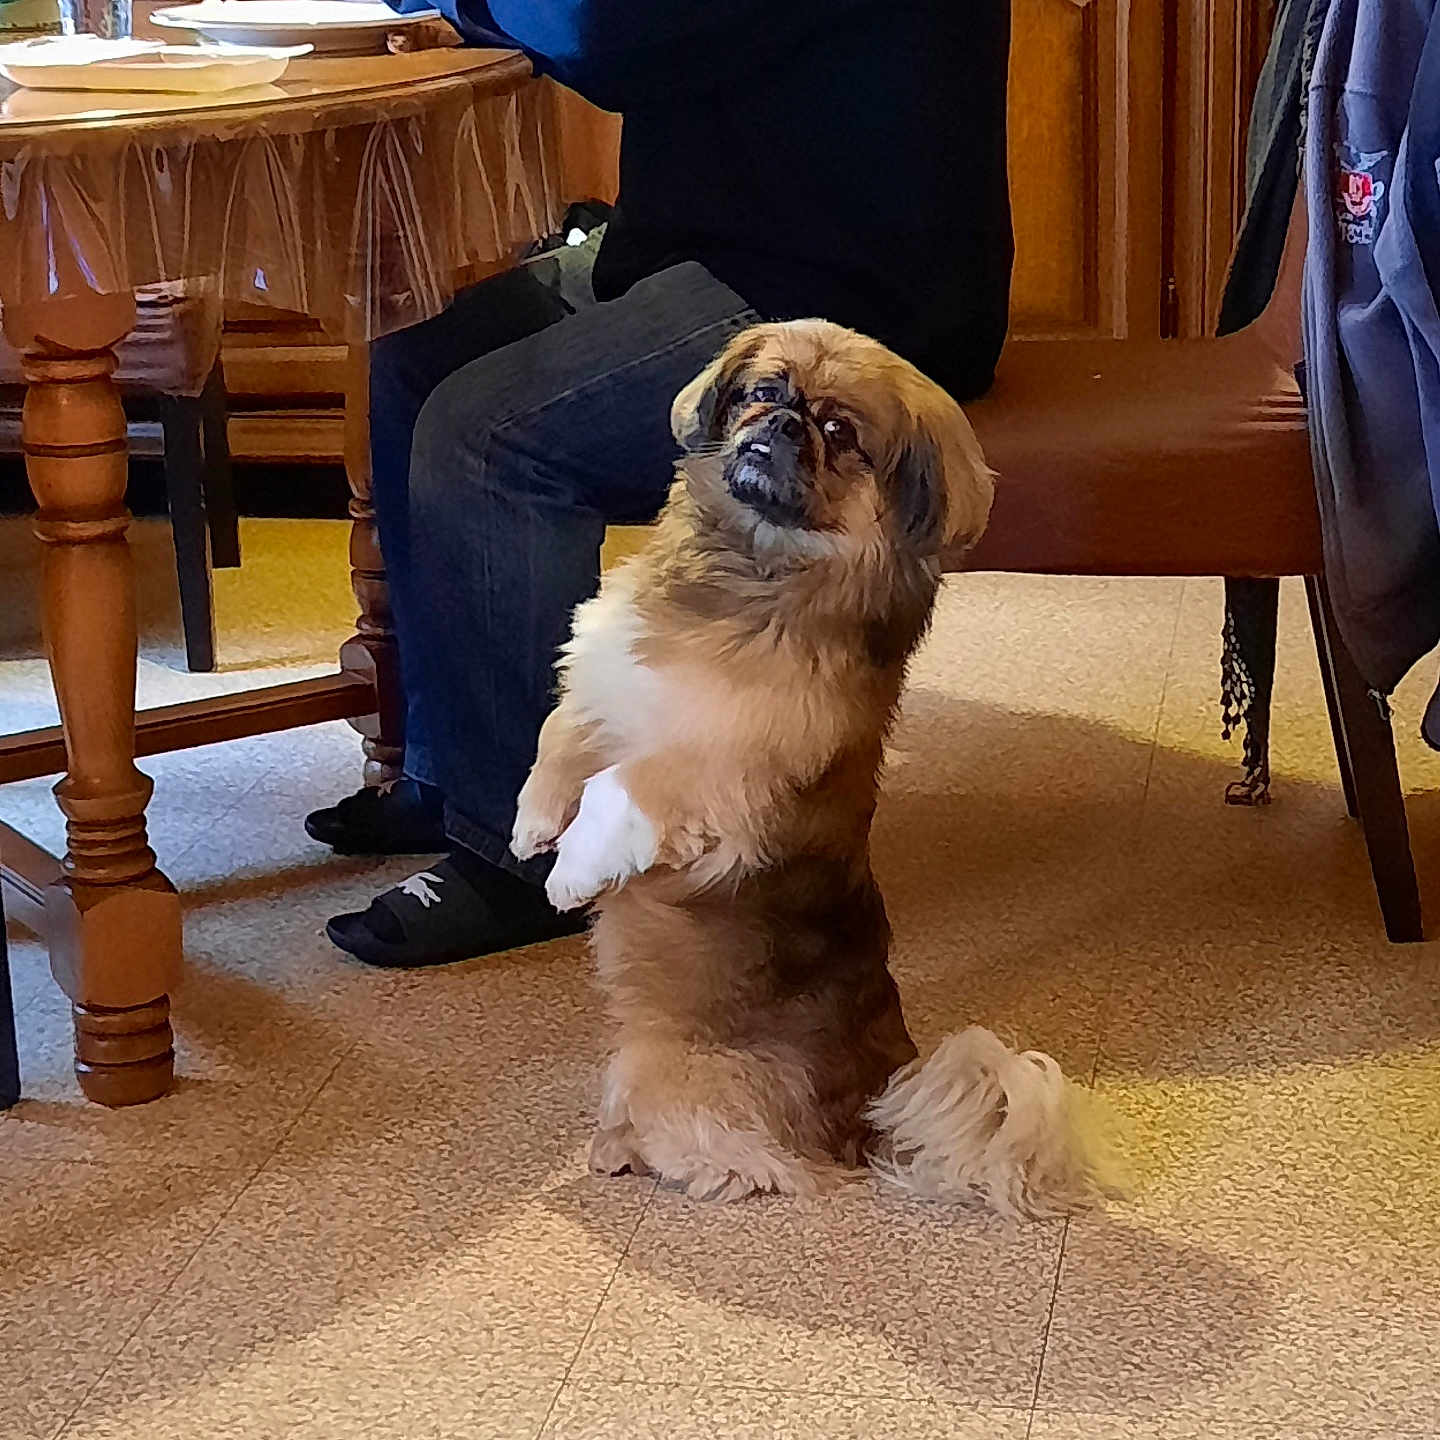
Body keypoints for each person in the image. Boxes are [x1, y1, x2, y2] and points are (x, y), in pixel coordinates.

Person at [310, 0, 1014, 966]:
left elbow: (608, 33)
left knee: (486, 434)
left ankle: (516, 860)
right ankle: (455, 769)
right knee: (424, 338)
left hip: (840, 287)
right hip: (712, 247)